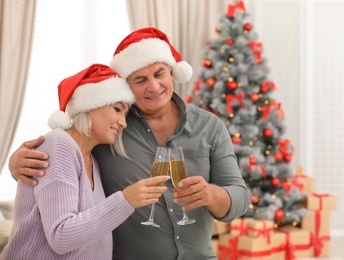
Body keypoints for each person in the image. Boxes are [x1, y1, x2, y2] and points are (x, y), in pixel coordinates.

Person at [8, 27, 249, 259]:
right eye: (140, 79)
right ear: (127, 86)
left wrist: (212, 194)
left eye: (159, 74)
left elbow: (240, 197)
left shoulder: (210, 126)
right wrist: (16, 162)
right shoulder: (111, 130)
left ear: (172, 72)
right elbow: (69, 143)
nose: (153, 87)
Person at [1, 64, 169, 260]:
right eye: (117, 109)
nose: (123, 123)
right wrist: (126, 199)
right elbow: (61, 236)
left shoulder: (91, 158)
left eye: (125, 114)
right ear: (89, 106)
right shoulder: (59, 144)